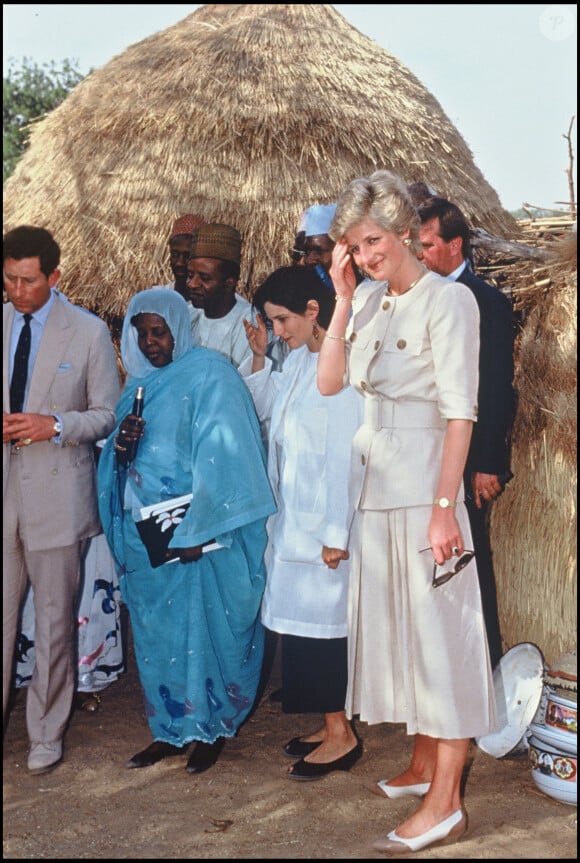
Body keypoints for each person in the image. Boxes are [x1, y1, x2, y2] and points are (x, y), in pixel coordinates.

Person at [317, 170, 497, 854]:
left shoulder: (448, 303)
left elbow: (460, 414)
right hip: (377, 489)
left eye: (373, 241)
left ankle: (448, 802)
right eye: (355, 245)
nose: (365, 255)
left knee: (443, 645)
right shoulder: (366, 299)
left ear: (404, 234)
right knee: (407, 637)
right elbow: (330, 380)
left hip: (425, 487)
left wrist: (444, 508)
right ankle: (425, 766)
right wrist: (340, 299)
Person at [97, 288, 276, 774]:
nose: (151, 342)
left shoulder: (212, 374)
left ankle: (213, 728)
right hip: (149, 536)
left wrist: (199, 528)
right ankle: (171, 729)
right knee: (159, 636)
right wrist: (121, 447)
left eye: (160, 331)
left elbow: (232, 455)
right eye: (141, 333)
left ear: (180, 326)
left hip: (201, 534)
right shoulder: (138, 385)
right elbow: (117, 463)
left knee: (207, 628)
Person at [3, 225, 120, 775]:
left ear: (55, 277)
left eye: (29, 281)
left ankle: (46, 733)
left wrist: (53, 424)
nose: (17, 290)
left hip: (58, 498)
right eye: (8, 278)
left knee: (53, 625)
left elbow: (106, 415)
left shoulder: (89, 332)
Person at [240, 266, 363, 780]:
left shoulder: (340, 371)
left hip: (323, 531)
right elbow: (266, 408)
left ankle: (343, 735)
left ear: (315, 311)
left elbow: (344, 459)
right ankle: (326, 723)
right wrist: (260, 353)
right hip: (294, 522)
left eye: (284, 319)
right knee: (300, 631)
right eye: (273, 320)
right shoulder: (294, 361)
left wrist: (336, 534)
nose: (280, 329)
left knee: (324, 633)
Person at [417, 196, 516, 668]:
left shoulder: (487, 301)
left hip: (469, 459)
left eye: (428, 245)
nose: (420, 254)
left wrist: (488, 464)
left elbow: (496, 386)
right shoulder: (418, 296)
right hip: (427, 455)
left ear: (455, 245)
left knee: (470, 567)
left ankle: (483, 670)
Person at [184, 222, 254, 368]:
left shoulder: (248, 324)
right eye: (190, 275)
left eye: (205, 278)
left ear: (229, 284)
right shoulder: (188, 315)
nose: (192, 284)